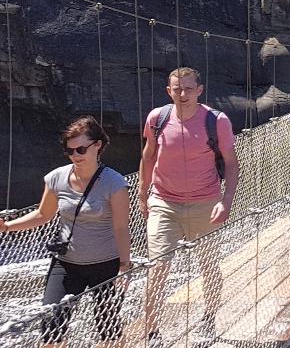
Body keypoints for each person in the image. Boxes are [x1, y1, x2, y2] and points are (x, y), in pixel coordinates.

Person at [1, 117, 131, 346]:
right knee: (51, 325)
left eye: (81, 149)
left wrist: (124, 267)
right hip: (66, 263)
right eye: (69, 151)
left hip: (106, 265)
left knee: (108, 325)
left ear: (97, 145)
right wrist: (8, 227)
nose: (75, 155)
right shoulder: (56, 178)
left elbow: (120, 227)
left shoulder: (114, 182)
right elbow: (43, 214)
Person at [139, 67, 238, 342]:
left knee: (208, 264)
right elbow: (148, 157)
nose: (182, 94)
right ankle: (152, 334)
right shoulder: (157, 118)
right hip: (164, 201)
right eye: (176, 89)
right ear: (168, 90)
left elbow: (231, 163)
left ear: (200, 90)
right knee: (157, 265)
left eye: (188, 88)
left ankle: (208, 320)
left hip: (205, 202)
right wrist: (142, 193)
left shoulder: (216, 121)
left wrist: (226, 200)